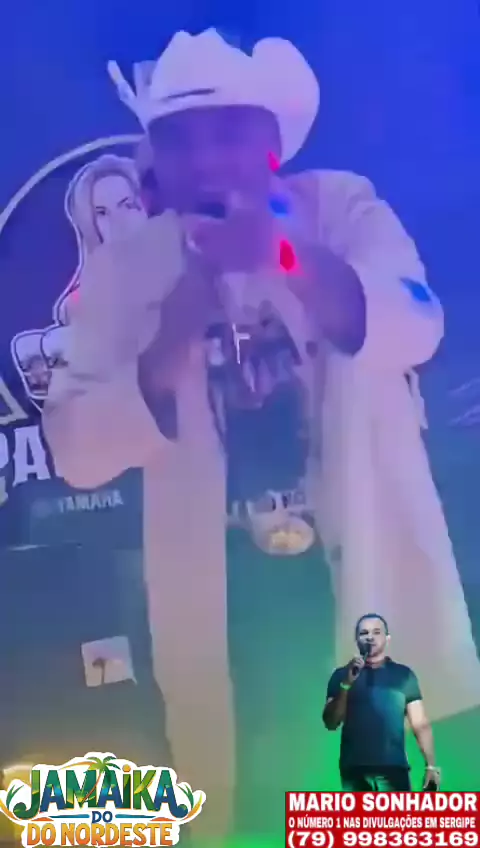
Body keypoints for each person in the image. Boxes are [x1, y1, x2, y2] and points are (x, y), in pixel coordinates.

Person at [42, 28, 480, 840]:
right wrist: (172, 332)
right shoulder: (125, 268)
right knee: (248, 818)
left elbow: (416, 326)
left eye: (229, 132)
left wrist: (283, 255)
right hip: (230, 619)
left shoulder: (340, 208)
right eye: (181, 139)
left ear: (271, 142)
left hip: (370, 595)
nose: (207, 158)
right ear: (157, 160)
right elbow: (75, 448)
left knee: (387, 817)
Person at [323, 613, 441, 792]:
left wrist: (430, 765)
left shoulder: (404, 675)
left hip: (393, 770)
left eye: (376, 632)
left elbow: (420, 723)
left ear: (387, 638)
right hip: (354, 772)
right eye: (364, 633)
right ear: (356, 640)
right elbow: (331, 722)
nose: (370, 637)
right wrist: (346, 684)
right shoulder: (341, 675)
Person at [56, 154, 147, 324]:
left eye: (127, 205)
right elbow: (72, 306)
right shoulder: (88, 294)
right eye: (102, 213)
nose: (117, 221)